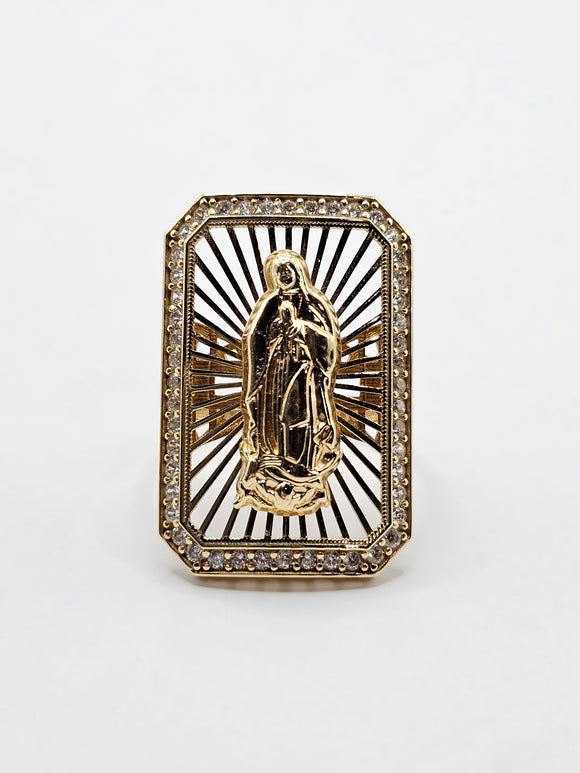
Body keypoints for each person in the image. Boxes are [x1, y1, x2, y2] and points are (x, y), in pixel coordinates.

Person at [234, 249, 341, 516]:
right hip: (274, 372)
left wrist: (303, 328)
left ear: (298, 273)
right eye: (279, 271)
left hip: (301, 372)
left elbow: (328, 345)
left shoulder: (312, 304)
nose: (283, 275)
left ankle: (299, 466)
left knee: (296, 417)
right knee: (273, 416)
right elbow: (256, 340)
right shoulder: (270, 305)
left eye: (287, 270)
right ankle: (271, 461)